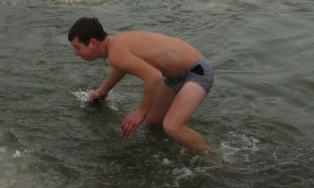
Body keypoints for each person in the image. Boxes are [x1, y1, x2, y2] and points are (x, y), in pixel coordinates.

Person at [68, 17, 214, 152]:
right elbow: (122, 67)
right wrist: (102, 91)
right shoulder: (115, 42)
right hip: (176, 76)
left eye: (78, 47)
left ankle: (212, 159)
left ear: (93, 43)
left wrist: (140, 112)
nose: (76, 53)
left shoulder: (115, 53)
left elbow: (154, 78)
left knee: (172, 127)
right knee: (153, 122)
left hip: (197, 71)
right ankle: (170, 151)